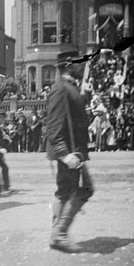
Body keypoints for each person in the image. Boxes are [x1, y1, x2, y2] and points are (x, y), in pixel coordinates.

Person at [45, 69, 94, 253]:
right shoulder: (61, 88)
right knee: (84, 189)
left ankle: (56, 234)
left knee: (65, 191)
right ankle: (59, 234)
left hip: (74, 150)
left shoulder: (70, 87)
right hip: (69, 151)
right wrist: (64, 154)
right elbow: (54, 124)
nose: (84, 68)